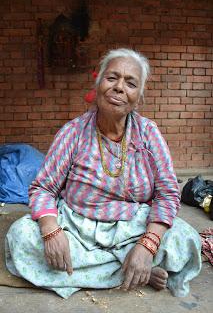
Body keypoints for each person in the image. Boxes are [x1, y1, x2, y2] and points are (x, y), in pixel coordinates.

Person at [5, 48, 201, 299]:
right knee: (21, 236)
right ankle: (134, 272)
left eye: (130, 83)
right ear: (98, 86)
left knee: (185, 239)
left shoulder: (149, 133)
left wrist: (148, 245)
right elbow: (43, 188)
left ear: (138, 98)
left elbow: (167, 193)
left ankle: (130, 264)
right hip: (76, 227)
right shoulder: (72, 132)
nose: (119, 87)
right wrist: (51, 230)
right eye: (112, 78)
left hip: (132, 227)